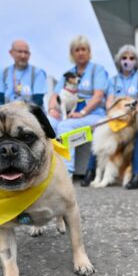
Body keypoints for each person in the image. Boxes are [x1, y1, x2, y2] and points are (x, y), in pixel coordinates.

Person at [80, 45, 138, 189]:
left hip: (134, 117)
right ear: (119, 60)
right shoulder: (113, 80)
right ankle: (91, 170)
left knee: (137, 133)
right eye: (124, 58)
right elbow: (109, 102)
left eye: (131, 58)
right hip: (115, 116)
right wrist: (114, 113)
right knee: (100, 134)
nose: (127, 61)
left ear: (135, 61)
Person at [47, 35, 108, 175]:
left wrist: (82, 113)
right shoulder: (68, 74)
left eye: (83, 49)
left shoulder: (97, 70)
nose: (80, 53)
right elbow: (55, 96)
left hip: (93, 115)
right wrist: (51, 109)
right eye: (77, 50)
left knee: (64, 126)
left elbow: (98, 96)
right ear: (72, 53)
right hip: (69, 114)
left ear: (89, 51)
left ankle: (66, 172)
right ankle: (47, 171)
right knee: (48, 123)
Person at [0, 39, 47, 107]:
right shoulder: (3, 73)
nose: (23, 56)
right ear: (11, 53)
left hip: (30, 113)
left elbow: (38, 101)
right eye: (20, 52)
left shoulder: (38, 72)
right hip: (8, 113)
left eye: (26, 52)